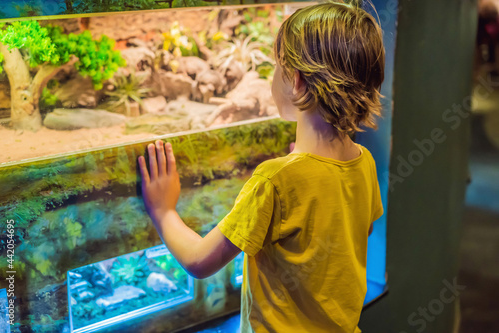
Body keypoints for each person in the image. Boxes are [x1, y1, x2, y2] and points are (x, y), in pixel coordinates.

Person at [137, 1, 385, 332]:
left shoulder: (275, 179)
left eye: (276, 66)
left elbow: (199, 261)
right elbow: (353, 230)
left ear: (296, 82)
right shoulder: (363, 162)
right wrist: (307, 170)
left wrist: (164, 210)